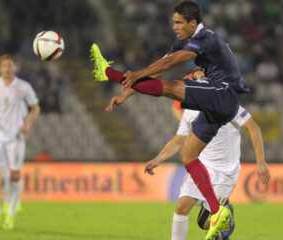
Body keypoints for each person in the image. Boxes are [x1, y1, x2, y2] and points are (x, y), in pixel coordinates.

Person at [91, 1, 254, 239]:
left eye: (179, 22)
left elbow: (169, 64)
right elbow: (157, 70)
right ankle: (218, 212)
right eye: (173, 22)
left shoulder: (205, 39)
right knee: (187, 156)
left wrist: (132, 75)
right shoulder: (183, 40)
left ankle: (106, 73)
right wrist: (127, 94)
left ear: (193, 23)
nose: (174, 27)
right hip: (217, 102)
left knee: (173, 86)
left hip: (224, 94)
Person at [108, 69, 270, 240]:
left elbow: (254, 128)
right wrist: (158, 159)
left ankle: (226, 214)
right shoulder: (189, 112)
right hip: (201, 167)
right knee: (181, 207)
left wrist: (261, 162)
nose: (199, 82)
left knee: (204, 222)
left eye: (203, 79)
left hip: (225, 171)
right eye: (195, 79)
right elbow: (179, 140)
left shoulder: (225, 103)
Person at [0, 54, 40, 230]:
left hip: (15, 136)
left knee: (15, 175)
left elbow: (35, 108)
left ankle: (10, 213)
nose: (7, 68)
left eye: (10, 65)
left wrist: (26, 124)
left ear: (15, 68)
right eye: (4, 66)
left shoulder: (23, 87)